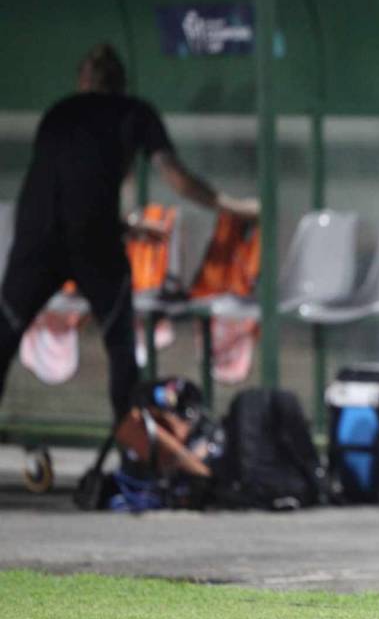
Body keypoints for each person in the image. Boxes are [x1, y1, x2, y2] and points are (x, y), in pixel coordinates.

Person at [0, 44, 258, 420]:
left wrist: (125, 226)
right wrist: (234, 208)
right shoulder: (135, 112)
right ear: (121, 82)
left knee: (4, 338)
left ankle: (133, 447)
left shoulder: (59, 113)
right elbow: (176, 178)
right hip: (92, 244)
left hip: (37, 242)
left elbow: (55, 193)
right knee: (121, 350)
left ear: (83, 80)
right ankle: (134, 455)